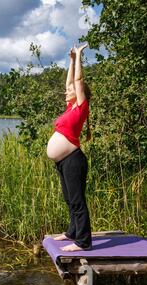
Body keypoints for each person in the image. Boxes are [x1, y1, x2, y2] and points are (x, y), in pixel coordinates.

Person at [46, 43, 92, 251]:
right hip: (63, 162)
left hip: (74, 160)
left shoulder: (81, 108)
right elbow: (70, 81)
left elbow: (77, 81)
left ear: (79, 93)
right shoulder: (69, 108)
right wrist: (71, 60)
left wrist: (80, 55)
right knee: (69, 199)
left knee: (77, 200)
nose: (67, 90)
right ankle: (72, 232)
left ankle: (83, 242)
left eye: (71, 90)